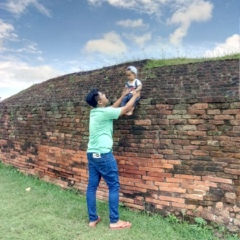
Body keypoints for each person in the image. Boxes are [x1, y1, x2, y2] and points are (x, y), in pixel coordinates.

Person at [85, 88, 140, 230]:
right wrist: (136, 95)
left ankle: (92, 219)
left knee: (92, 187)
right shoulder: (104, 113)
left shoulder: (95, 112)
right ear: (99, 101)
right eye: (103, 95)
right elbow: (125, 109)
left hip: (92, 154)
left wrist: (123, 95)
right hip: (104, 155)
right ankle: (114, 221)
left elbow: (112, 108)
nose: (105, 95)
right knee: (114, 186)